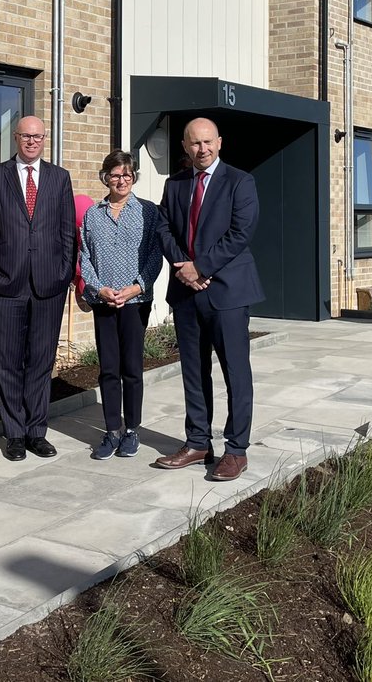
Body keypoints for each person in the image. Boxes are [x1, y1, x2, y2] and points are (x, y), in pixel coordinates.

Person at [154, 117, 263, 482]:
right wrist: (184, 268)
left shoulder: (240, 182)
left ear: (219, 142)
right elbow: (163, 227)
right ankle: (198, 442)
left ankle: (236, 450)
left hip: (227, 292)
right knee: (193, 371)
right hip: (186, 293)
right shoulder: (175, 184)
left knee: (235, 372)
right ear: (185, 146)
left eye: (207, 142)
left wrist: (200, 267)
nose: (202, 149)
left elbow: (240, 233)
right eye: (195, 143)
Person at [0, 116, 77, 461]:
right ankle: (15, 434)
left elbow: (68, 232)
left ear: (44, 139)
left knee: (41, 361)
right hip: (7, 284)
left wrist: (64, 273)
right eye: (26, 136)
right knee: (8, 361)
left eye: (38, 136)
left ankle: (37, 432)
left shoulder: (59, 177)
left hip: (50, 284)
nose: (32, 141)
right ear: (16, 138)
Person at [79, 151, 163, 460]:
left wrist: (136, 287)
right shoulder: (92, 215)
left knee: (132, 368)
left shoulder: (148, 212)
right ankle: (112, 430)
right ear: (105, 178)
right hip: (104, 301)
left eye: (127, 174)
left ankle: (132, 430)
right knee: (108, 369)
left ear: (134, 177)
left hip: (135, 301)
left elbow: (156, 254)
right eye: (115, 174)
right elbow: (84, 256)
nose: (121, 180)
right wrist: (99, 289)